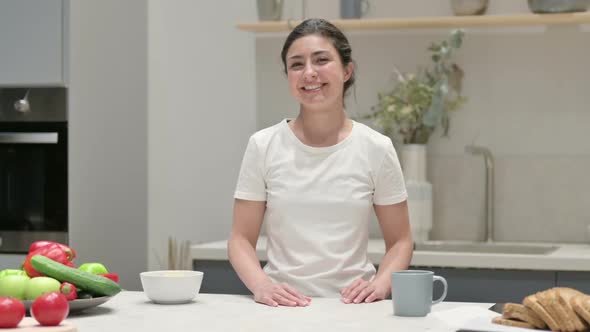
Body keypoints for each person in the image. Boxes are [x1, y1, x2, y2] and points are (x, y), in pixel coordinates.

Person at [228, 18, 413, 307]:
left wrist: (380, 284)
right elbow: (240, 239)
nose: (309, 73)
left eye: (322, 60)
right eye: (297, 64)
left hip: (354, 310)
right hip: (281, 311)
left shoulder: (376, 148)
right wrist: (262, 286)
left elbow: (401, 241)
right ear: (288, 75)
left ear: (347, 70)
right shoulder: (263, 146)